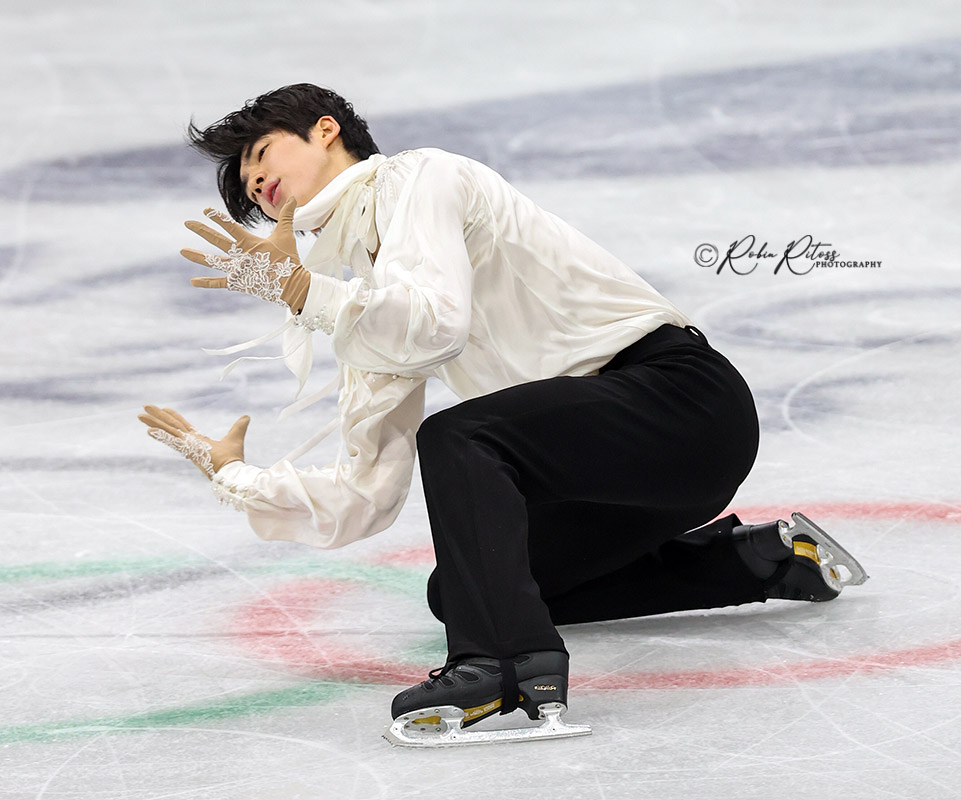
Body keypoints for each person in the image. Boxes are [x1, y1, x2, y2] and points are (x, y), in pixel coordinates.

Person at [138, 83, 867, 747]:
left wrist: (305, 291)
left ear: (326, 129)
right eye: (245, 186)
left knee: (462, 437)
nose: (254, 183)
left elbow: (436, 323)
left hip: (681, 404)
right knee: (462, 589)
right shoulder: (363, 295)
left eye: (260, 154)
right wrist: (234, 476)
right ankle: (757, 561)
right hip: (619, 474)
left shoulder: (421, 177)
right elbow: (367, 492)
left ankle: (504, 668)